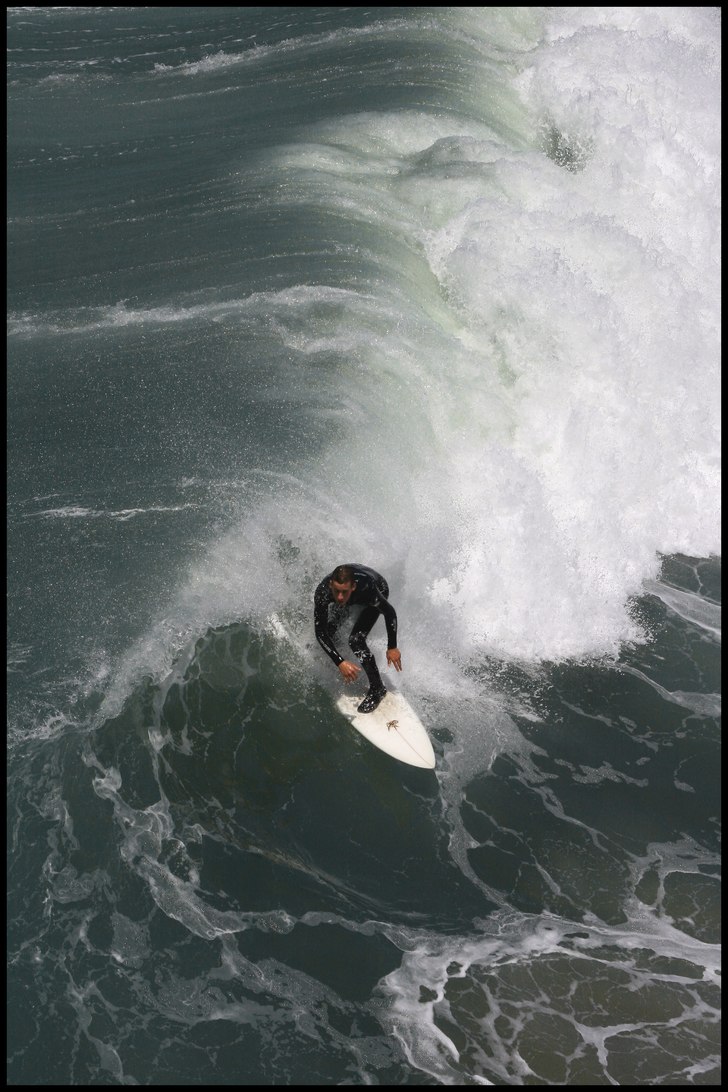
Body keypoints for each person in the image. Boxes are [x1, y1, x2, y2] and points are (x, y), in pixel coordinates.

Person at [314, 564, 402, 713]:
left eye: (344, 592)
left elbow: (389, 612)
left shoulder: (367, 590)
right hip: (354, 587)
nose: (340, 597)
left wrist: (392, 646)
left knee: (356, 641)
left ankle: (377, 689)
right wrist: (340, 661)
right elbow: (320, 632)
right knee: (330, 631)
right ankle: (345, 663)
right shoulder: (323, 592)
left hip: (378, 585)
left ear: (353, 587)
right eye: (336, 591)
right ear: (331, 585)